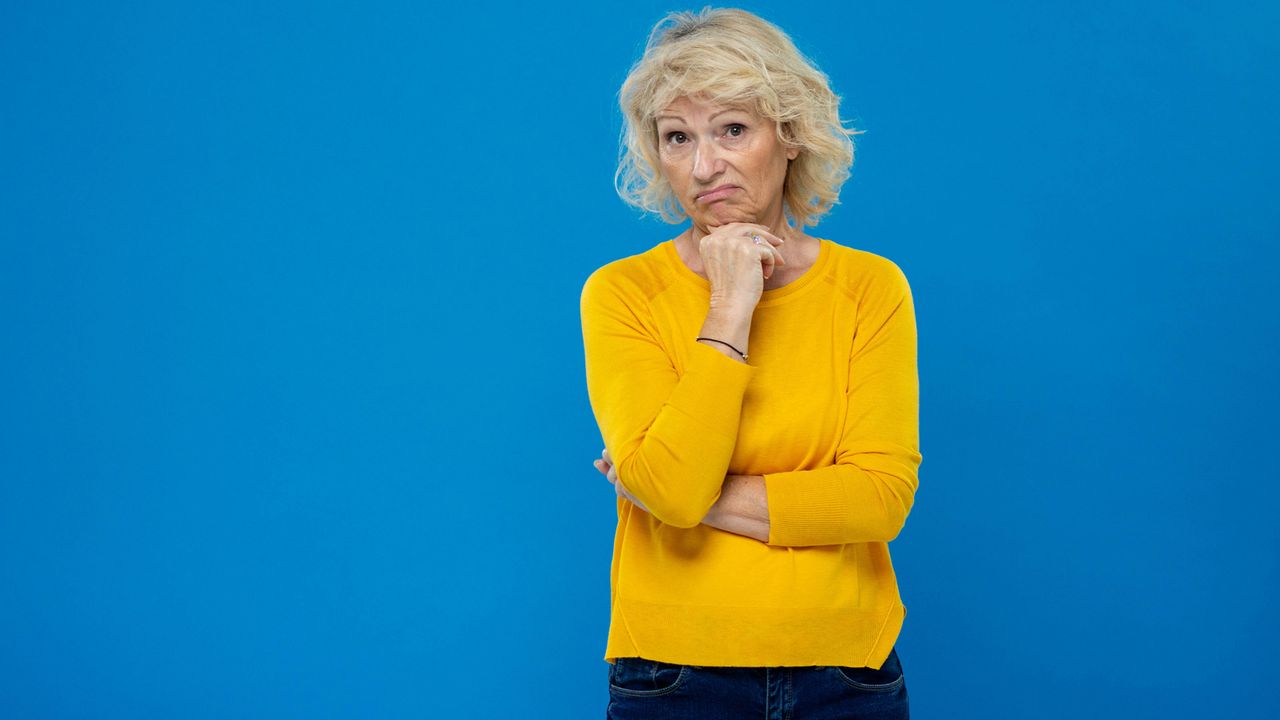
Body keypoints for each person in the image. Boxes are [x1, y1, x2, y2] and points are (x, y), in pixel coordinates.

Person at [580, 7, 922, 718]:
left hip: (844, 670)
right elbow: (669, 489)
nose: (705, 166)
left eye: (732, 129)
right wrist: (732, 303)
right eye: (678, 138)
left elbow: (880, 498)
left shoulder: (869, 289)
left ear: (789, 135)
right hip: (671, 672)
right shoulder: (622, 294)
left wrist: (680, 493)